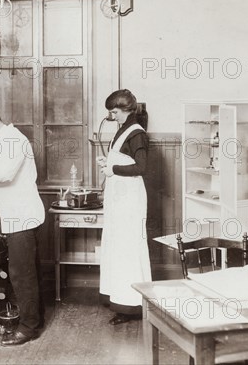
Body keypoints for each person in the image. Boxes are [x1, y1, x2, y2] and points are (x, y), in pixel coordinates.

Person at [0, 110, 45, 346]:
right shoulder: (6, 140)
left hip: (21, 216)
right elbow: (2, 175)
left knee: (22, 274)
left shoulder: (13, 139)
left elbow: (5, 173)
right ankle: (34, 320)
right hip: (17, 216)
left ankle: (28, 328)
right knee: (26, 272)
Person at [96, 89, 152, 325]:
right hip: (120, 198)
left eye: (115, 111)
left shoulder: (136, 133)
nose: (112, 115)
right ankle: (121, 300)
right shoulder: (123, 130)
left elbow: (140, 168)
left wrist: (113, 169)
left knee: (128, 248)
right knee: (118, 248)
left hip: (130, 200)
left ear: (127, 109)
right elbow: (123, 160)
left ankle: (133, 304)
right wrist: (107, 162)